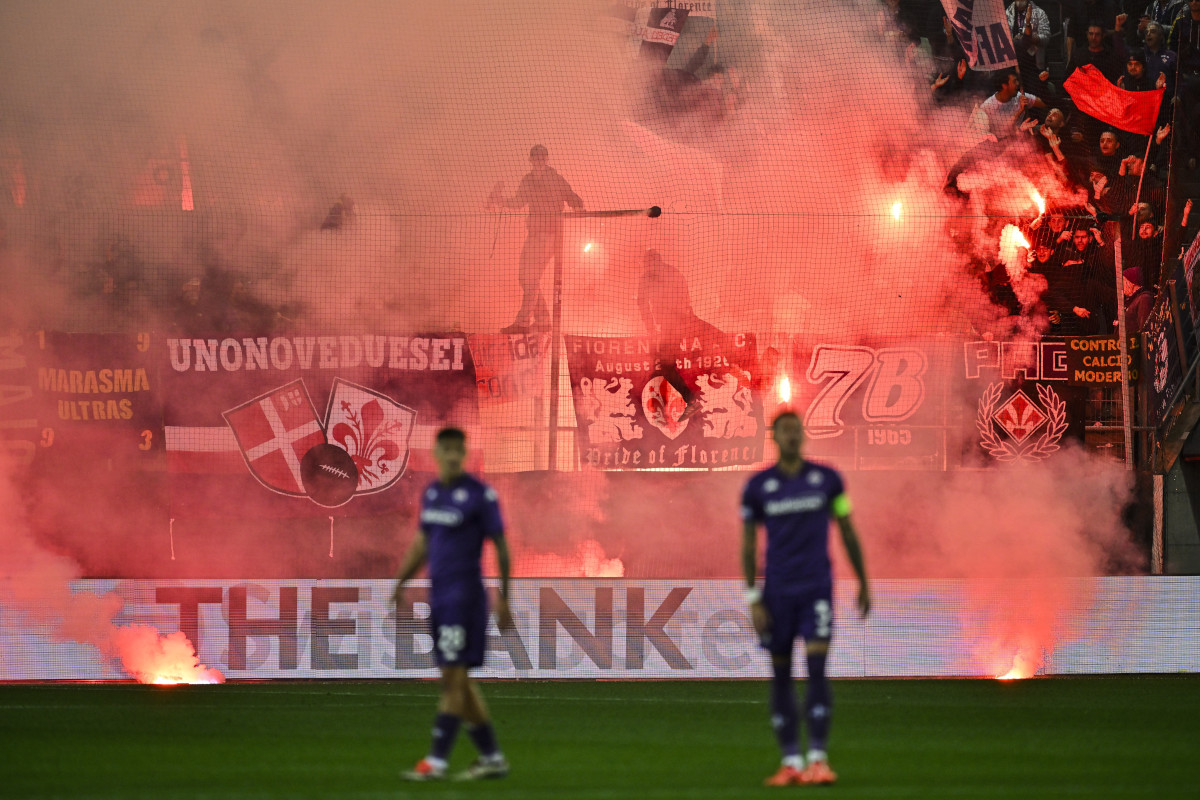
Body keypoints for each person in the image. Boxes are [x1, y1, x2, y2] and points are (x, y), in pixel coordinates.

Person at [740, 411, 870, 787]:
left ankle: (818, 759)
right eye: (785, 431)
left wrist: (862, 580)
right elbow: (748, 544)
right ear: (774, 437)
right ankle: (790, 762)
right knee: (780, 675)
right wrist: (753, 595)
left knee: (816, 669)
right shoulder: (758, 487)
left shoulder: (827, 481)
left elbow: (846, 526)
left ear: (803, 436)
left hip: (816, 590)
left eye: (797, 430)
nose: (793, 436)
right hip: (777, 593)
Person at [393, 427, 514, 781]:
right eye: (445, 449)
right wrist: (400, 582)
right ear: (435, 452)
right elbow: (421, 543)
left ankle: (436, 761)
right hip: (439, 597)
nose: (451, 455)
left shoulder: (480, 495)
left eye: (457, 450)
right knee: (457, 679)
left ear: (464, 453)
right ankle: (492, 758)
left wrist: (505, 596)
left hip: (465, 598)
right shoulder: (431, 494)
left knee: (453, 680)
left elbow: (501, 545)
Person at [489, 145, 584, 333]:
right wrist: (501, 200)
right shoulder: (527, 180)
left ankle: (523, 322)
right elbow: (518, 202)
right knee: (525, 278)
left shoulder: (555, 179)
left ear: (547, 159)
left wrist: (578, 206)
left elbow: (570, 195)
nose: (539, 160)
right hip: (534, 234)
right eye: (536, 157)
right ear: (531, 160)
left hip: (550, 234)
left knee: (530, 277)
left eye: (542, 157)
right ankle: (542, 320)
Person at [636, 249, 711, 424]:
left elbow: (642, 303)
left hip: (669, 327)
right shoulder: (674, 273)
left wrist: (652, 328)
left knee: (664, 365)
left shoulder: (648, 277)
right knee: (661, 366)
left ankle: (691, 400)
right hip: (676, 326)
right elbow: (686, 300)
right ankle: (653, 409)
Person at [980, 71, 1045, 139]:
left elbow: (1044, 104)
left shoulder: (1019, 96)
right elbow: (1006, 129)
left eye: (1017, 80)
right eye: (1014, 81)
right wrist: (1020, 110)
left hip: (1020, 139)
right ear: (1004, 86)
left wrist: (1041, 83)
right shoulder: (987, 106)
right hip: (999, 144)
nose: (1018, 83)